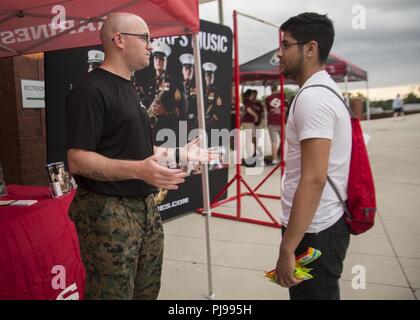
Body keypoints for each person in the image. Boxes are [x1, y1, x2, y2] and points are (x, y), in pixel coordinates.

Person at [66, 12, 216, 300]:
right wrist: (139, 170)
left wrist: (179, 152)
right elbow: (77, 159)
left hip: (144, 210)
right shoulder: (90, 90)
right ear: (119, 40)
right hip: (108, 214)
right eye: (145, 38)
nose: (151, 45)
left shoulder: (129, 89)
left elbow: (138, 152)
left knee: (146, 292)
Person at [275, 12, 352, 300]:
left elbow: (314, 179)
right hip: (321, 225)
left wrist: (287, 248)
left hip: (315, 231)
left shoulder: (313, 98)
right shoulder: (324, 90)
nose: (279, 54)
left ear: (311, 48)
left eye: (286, 45)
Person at [178, 53, 197, 130]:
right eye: (186, 68)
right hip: (180, 122)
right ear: (182, 70)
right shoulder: (177, 86)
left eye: (190, 69)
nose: (188, 71)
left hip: (194, 123)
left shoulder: (198, 87)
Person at [202, 62, 223, 129]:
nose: (209, 77)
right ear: (205, 77)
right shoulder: (201, 89)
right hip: (200, 119)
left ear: (213, 77)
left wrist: (215, 117)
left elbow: (220, 106)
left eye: (211, 75)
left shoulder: (217, 91)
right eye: (207, 75)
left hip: (211, 120)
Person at [265, 84, 282, 166]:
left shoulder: (267, 98)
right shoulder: (282, 96)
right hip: (281, 121)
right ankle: (283, 158)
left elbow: (268, 109)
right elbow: (285, 108)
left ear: (271, 89)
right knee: (284, 140)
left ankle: (274, 159)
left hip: (271, 122)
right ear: (277, 88)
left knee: (274, 142)